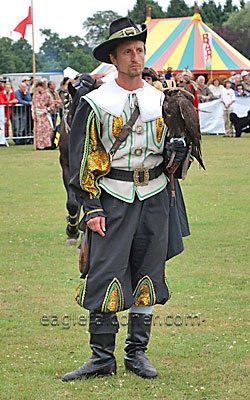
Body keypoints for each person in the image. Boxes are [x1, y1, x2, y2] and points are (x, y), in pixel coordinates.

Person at [62, 17, 190, 382]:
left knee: (148, 273)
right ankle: (101, 357)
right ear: (114, 60)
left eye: (139, 50)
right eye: (127, 52)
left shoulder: (161, 100)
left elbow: (171, 159)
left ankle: (137, 353)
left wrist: (176, 156)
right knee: (104, 274)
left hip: (154, 196)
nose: (135, 57)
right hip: (112, 198)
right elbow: (82, 157)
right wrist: (91, 207)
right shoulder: (95, 102)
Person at [31, 80, 54, 149]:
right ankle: (39, 145)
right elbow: (33, 105)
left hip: (44, 114)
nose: (39, 88)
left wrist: (47, 109)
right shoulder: (35, 95)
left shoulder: (48, 95)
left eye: (40, 86)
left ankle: (47, 144)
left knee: (46, 130)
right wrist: (33, 113)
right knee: (38, 130)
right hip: (37, 114)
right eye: (37, 87)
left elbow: (52, 104)